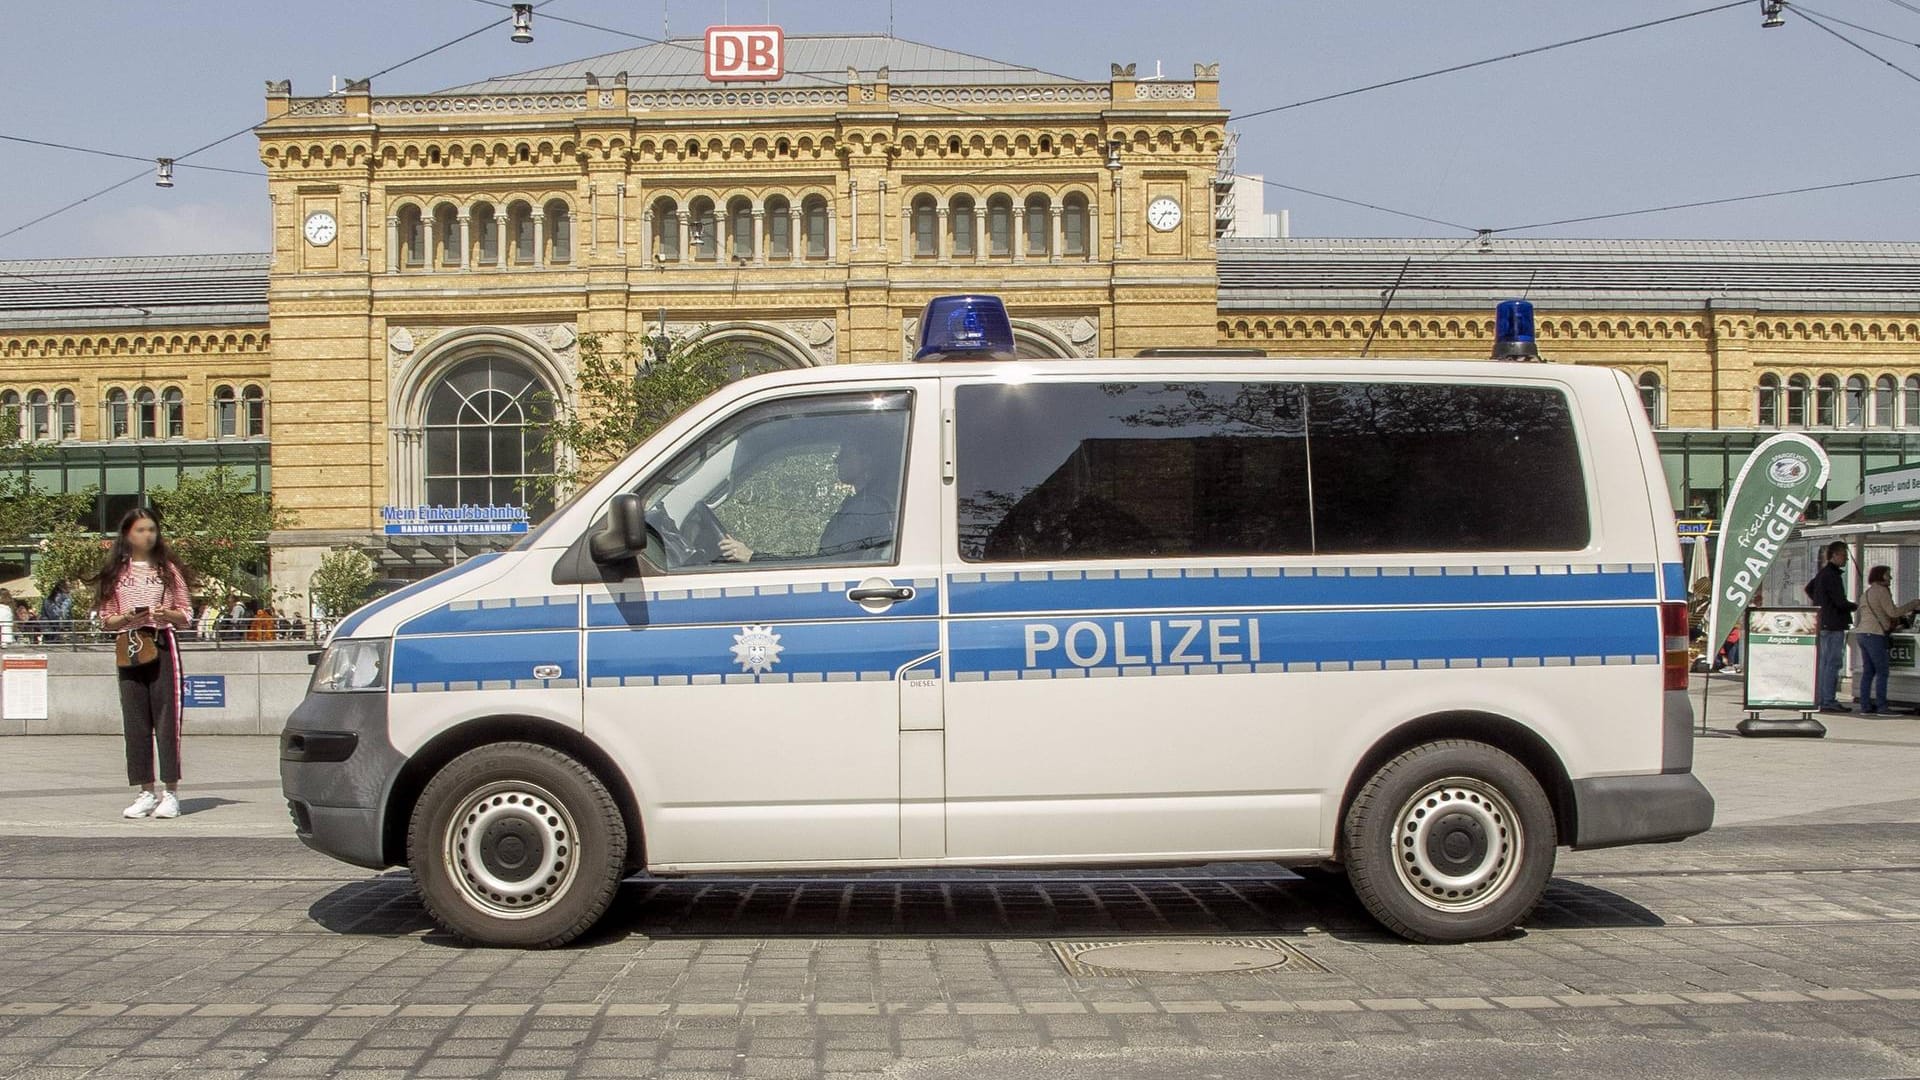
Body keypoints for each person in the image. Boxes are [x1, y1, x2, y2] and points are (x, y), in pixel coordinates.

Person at [91, 507, 193, 820]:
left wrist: (167, 614)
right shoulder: (116, 573)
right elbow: (106, 618)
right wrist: (124, 617)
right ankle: (145, 791)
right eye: (140, 530)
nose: (147, 535)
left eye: (151, 529)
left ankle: (170, 792)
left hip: (161, 642)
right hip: (129, 645)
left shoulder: (168, 570)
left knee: (166, 721)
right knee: (134, 721)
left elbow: (187, 615)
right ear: (126, 534)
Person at [718, 436, 898, 564]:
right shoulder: (868, 504)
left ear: (866, 460)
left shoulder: (867, 509)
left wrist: (751, 556)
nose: (837, 461)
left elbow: (822, 565)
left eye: (845, 454)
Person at [1854, 565, 1918, 715]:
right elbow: (1893, 612)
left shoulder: (1867, 592)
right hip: (1875, 634)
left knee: (1868, 671)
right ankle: (1882, 706)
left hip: (1862, 633)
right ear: (1880, 576)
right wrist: (1913, 604)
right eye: (1888, 575)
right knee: (1882, 671)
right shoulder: (1881, 591)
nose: (1890, 578)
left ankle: (1865, 706)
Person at [1805, 541, 1857, 713]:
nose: (1846, 560)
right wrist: (1855, 606)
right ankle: (1828, 699)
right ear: (1834, 555)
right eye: (1843, 555)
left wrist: (1820, 603)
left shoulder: (1822, 574)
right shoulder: (1832, 576)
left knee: (1824, 662)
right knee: (1832, 663)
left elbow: (1809, 588)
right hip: (1833, 624)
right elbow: (1840, 602)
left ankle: (1820, 698)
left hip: (1823, 622)